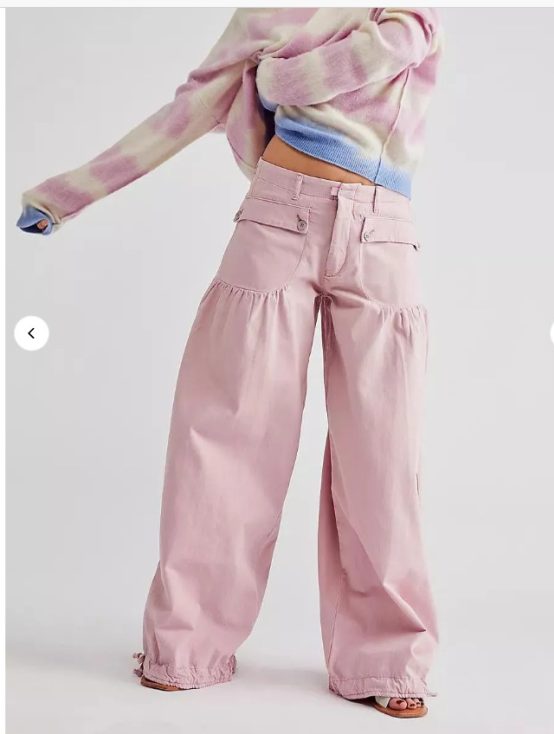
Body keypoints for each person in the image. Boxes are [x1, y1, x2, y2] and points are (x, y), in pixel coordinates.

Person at [17, 8, 444, 719]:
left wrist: (276, 79)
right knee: (227, 437)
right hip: (277, 217)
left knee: (385, 452)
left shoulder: (403, 13)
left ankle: (390, 660)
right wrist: (68, 194)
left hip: (382, 234)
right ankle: (185, 645)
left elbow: (390, 50)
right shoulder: (263, 15)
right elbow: (186, 112)